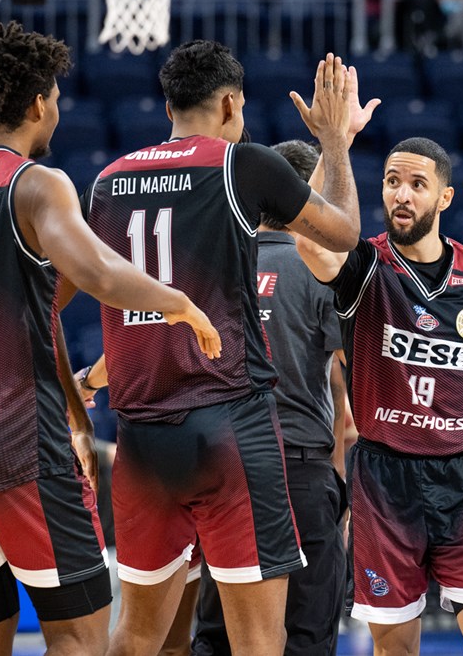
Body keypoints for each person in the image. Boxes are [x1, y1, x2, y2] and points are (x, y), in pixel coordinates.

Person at [0, 22, 220, 655]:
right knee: (78, 638)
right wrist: (177, 301)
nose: (59, 111)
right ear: (38, 104)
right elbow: (97, 272)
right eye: (56, 98)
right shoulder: (36, 183)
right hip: (19, 448)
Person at [81, 41, 365, 656]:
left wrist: (83, 383)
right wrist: (334, 141)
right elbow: (344, 234)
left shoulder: (107, 181)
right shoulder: (242, 165)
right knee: (258, 639)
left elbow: (91, 294)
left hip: (141, 434)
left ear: (168, 108)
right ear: (232, 104)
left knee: (137, 633)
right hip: (231, 427)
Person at [295, 136, 463, 655]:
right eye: (392, 182)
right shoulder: (364, 265)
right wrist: (334, 145)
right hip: (385, 479)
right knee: (396, 649)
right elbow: (307, 239)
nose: (402, 194)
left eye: (417, 184)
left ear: (445, 197)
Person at [190, 139, 352, 656]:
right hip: (296, 469)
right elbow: (356, 377)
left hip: (223, 468)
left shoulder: (212, 264)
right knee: (306, 633)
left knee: (218, 635)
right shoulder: (322, 272)